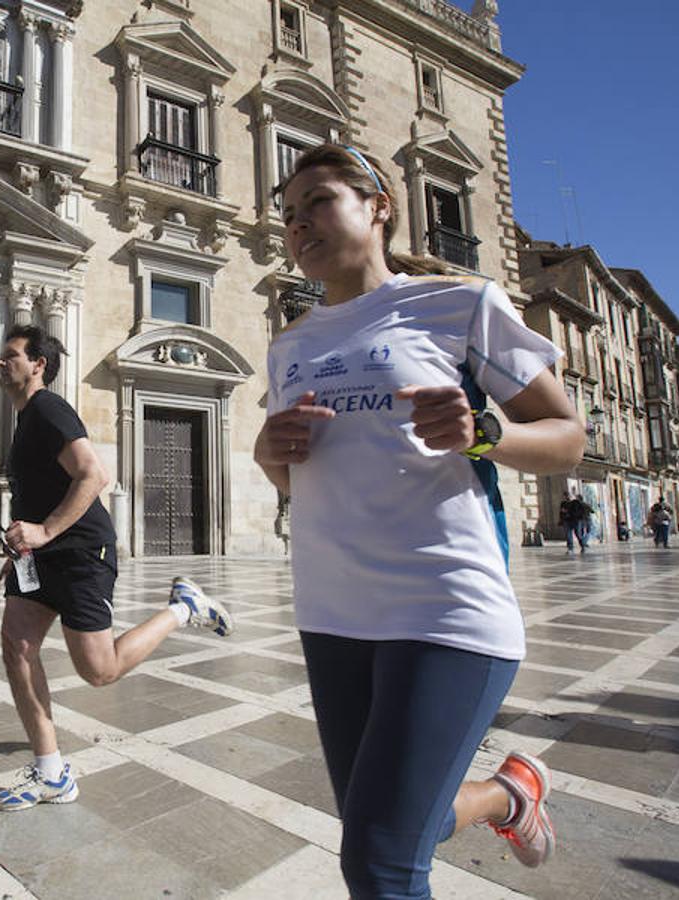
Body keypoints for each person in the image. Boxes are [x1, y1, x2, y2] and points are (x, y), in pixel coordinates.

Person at [257, 144, 586, 896]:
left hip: (445, 609)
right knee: (393, 816)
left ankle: (509, 794)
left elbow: (567, 440)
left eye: (316, 201)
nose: (298, 223)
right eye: (287, 215)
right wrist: (267, 448)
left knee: (378, 859)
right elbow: (293, 474)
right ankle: (511, 796)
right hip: (333, 615)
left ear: (379, 206)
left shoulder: (461, 305)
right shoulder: (290, 344)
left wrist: (484, 432)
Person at [0, 325, 234, 812]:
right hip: (40, 556)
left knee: (99, 672)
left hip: (80, 552)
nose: (1, 362)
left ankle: (184, 610)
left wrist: (44, 533)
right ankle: (51, 772)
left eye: (11, 355)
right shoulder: (25, 419)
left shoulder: (48, 408)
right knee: (17, 644)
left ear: (38, 364)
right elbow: (43, 490)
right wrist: (24, 546)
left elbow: (94, 474)